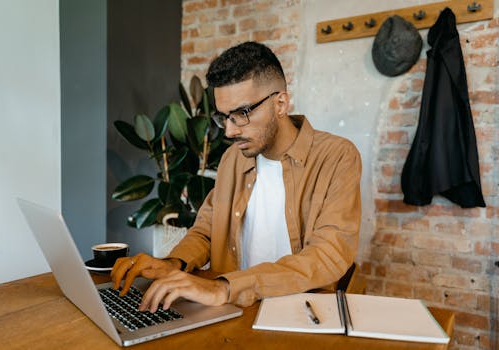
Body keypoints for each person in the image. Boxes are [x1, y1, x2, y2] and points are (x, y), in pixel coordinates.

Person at [111, 41, 361, 311]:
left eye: (241, 114)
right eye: (224, 117)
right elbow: (207, 230)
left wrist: (224, 287)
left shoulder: (336, 156)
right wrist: (173, 264)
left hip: (298, 313)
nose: (229, 131)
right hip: (232, 309)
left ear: (280, 104)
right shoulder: (234, 157)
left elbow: (328, 254)